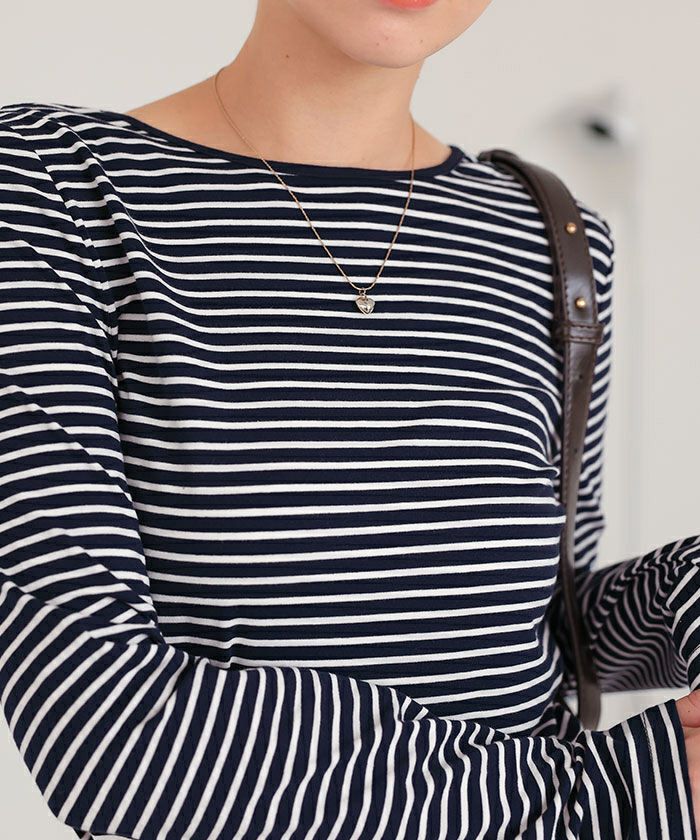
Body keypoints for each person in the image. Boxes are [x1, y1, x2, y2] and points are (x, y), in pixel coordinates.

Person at [0, 1, 699, 838]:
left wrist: (688, 590)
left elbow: (551, 620)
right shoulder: (47, 189)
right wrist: (621, 795)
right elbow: (108, 727)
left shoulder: (556, 240)